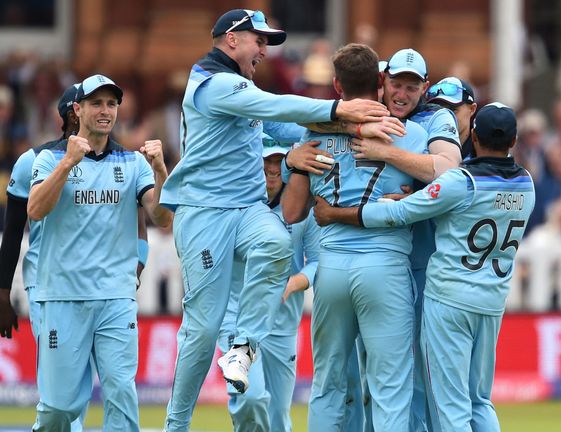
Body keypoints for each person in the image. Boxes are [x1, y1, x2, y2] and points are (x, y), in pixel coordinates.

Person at [157, 9, 388, 431]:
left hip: (245, 209)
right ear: (231, 39)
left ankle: (243, 346)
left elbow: (289, 130)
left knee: (277, 243)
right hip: (204, 212)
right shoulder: (213, 84)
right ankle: (176, 424)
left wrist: (349, 130)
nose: (264, 50)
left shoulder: (240, 87)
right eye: (258, 40)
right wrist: (342, 108)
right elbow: (277, 107)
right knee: (204, 329)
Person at [313, 102, 536, 432]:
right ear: (514, 141)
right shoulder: (527, 184)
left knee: (450, 405)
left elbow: (401, 215)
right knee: (479, 400)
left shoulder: (461, 182)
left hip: (449, 302)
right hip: (492, 301)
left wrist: (337, 215)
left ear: (472, 137)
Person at [282, 43, 428, 432]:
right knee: (389, 387)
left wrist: (292, 161)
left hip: (330, 269)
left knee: (328, 384)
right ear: (380, 82)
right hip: (385, 267)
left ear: (336, 86)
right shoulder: (408, 132)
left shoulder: (314, 132)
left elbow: (293, 213)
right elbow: (444, 184)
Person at [27, 74, 172, 431]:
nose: (105, 111)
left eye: (111, 103)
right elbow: (35, 209)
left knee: (121, 394)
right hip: (63, 296)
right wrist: (67, 164)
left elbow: (162, 217)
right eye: (96, 103)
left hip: (115, 297)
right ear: (78, 110)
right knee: (59, 408)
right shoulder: (50, 158)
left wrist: (160, 170)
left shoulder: (132, 162)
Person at [216, 137, 321, 432]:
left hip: (282, 324)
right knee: (250, 398)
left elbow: (316, 261)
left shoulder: (301, 210)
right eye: (264, 171)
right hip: (236, 318)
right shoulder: (232, 208)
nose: (271, 179)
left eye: (277, 172)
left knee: (278, 417)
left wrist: (293, 282)